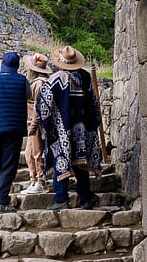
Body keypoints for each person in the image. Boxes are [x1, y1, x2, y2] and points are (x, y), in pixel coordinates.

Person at [37, 45, 102, 211]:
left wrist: (47, 125)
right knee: (81, 163)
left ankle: (61, 198)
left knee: (61, 160)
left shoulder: (56, 79)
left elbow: (44, 106)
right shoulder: (86, 79)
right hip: (83, 128)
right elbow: (95, 105)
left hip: (62, 129)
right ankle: (85, 198)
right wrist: (93, 126)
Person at [0, 51, 31, 215]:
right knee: (8, 165)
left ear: (2, 64)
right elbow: (28, 96)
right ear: (17, 66)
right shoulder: (23, 81)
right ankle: (1, 202)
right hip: (14, 129)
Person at [22, 51, 52, 194]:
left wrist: (33, 125)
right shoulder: (39, 83)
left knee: (37, 152)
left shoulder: (38, 84)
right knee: (29, 153)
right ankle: (34, 180)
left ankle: (40, 181)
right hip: (33, 121)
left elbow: (38, 107)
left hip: (36, 122)